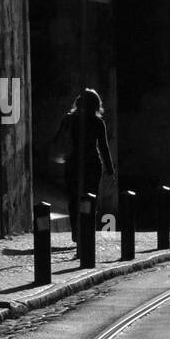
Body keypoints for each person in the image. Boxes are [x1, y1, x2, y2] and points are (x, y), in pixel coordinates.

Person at [53, 89, 115, 242]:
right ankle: (87, 232)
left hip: (73, 163)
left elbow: (58, 139)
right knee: (90, 200)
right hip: (92, 165)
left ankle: (76, 232)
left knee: (73, 200)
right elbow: (103, 147)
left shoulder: (69, 119)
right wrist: (110, 169)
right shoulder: (97, 122)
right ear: (96, 105)